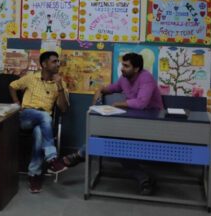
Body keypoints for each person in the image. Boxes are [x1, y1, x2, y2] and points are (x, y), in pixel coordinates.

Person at [63, 52, 163, 195]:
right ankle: (143, 179)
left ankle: (81, 154)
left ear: (136, 68)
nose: (122, 68)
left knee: (117, 142)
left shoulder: (146, 78)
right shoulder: (124, 78)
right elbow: (113, 87)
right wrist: (100, 90)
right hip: (132, 120)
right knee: (117, 142)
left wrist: (119, 104)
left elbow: (141, 103)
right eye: (122, 65)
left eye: (126, 66)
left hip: (151, 121)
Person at [9, 51, 69, 194]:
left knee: (39, 132)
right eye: (54, 61)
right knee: (44, 117)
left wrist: (60, 86)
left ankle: (34, 175)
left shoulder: (60, 84)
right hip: (26, 116)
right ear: (44, 64)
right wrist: (17, 103)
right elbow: (12, 86)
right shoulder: (31, 78)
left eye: (58, 61)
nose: (57, 64)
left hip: (43, 122)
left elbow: (63, 108)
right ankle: (52, 158)